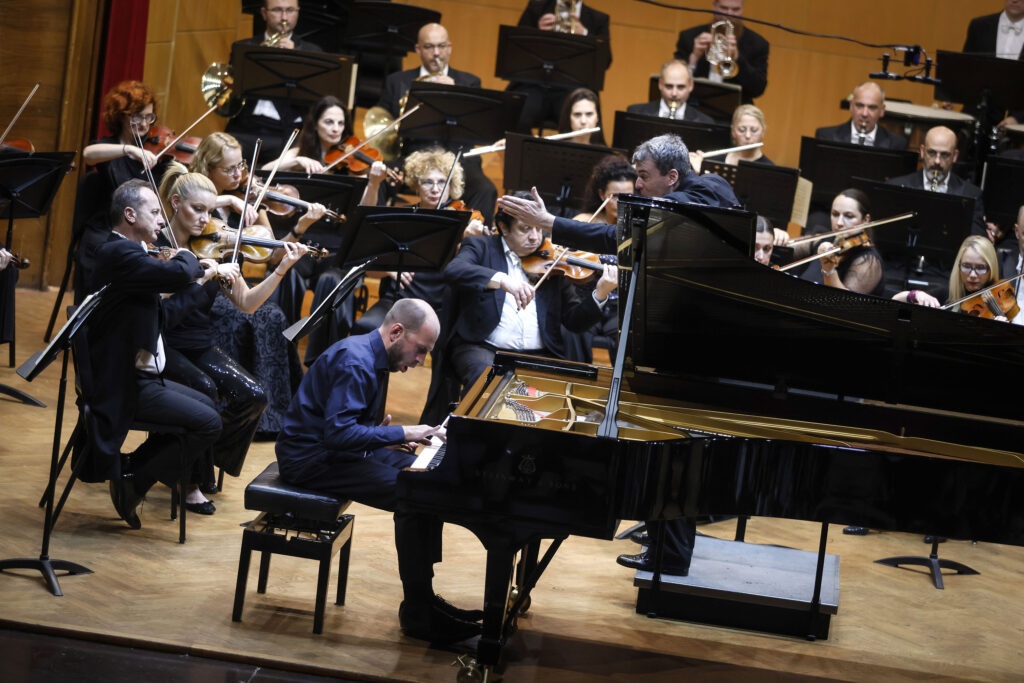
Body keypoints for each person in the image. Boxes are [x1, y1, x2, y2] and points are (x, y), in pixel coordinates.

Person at [496, 133, 740, 577]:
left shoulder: (697, 198)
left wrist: (550, 222)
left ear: (672, 176)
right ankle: (666, 549)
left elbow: (618, 235)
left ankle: (670, 552)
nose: (637, 186)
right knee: (668, 448)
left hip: (695, 351)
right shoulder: (694, 192)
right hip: (677, 342)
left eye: (644, 177)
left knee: (675, 450)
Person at [275, 298, 483, 643]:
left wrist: (378, 439)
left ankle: (424, 599)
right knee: (415, 495)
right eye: (420, 351)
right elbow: (337, 434)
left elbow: (344, 428)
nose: (420, 362)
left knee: (428, 481)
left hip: (334, 452)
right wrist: (404, 431)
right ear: (397, 332)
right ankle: (419, 614)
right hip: (310, 460)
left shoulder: (371, 357)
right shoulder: (355, 361)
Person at [157, 167, 308, 508]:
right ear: (176, 204)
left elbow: (248, 303)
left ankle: (191, 461)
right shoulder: (160, 245)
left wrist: (281, 269)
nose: (204, 220)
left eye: (210, 212)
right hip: (163, 344)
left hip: (199, 344)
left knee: (253, 395)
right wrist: (199, 271)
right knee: (206, 392)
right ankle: (188, 480)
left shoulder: (214, 248)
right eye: (197, 210)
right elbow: (158, 302)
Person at [81, 179, 223, 529]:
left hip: (140, 375)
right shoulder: (119, 253)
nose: (162, 220)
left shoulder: (132, 257)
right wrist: (190, 257)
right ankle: (135, 479)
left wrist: (203, 282)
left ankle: (132, 472)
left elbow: (163, 317)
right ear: (129, 214)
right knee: (209, 421)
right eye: (155, 212)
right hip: (124, 385)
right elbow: (177, 274)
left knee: (208, 405)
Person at [189, 132, 316, 438]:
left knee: (271, 314)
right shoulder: (196, 193)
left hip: (234, 286)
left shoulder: (250, 200)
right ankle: (236, 406)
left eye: (240, 166)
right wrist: (230, 198)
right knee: (247, 316)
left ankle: (273, 414)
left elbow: (271, 255)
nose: (238, 174)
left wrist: (299, 228)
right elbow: (187, 201)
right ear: (209, 167)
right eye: (229, 169)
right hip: (203, 289)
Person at [353, 148, 481, 423]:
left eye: (441, 182)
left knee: (449, 346)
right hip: (398, 302)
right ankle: (366, 417)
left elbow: (477, 264)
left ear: (452, 186)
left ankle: (433, 426)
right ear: (416, 184)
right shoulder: (404, 217)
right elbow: (366, 237)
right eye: (427, 181)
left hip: (442, 307)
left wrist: (471, 239)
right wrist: (387, 267)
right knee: (367, 329)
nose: (435, 189)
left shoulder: (462, 220)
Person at [444, 191, 618, 391]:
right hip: (485, 348)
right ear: (503, 227)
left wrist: (600, 293)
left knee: (561, 393)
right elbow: (454, 270)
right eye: (525, 229)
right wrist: (503, 280)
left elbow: (574, 322)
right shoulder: (481, 246)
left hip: (539, 354)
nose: (535, 237)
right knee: (487, 380)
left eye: (539, 228)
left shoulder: (552, 263)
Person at [376, 23, 497, 223]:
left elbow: (477, 126)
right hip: (412, 155)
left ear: (449, 47)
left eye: (441, 46)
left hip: (459, 158)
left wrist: (454, 93)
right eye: (429, 47)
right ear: (418, 49)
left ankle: (474, 244)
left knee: (486, 188)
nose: (436, 53)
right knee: (379, 179)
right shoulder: (397, 81)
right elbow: (383, 126)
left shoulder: (469, 82)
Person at [225, 0, 322, 162]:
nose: (284, 17)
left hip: (290, 130)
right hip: (247, 126)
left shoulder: (313, 52)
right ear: (264, 13)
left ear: (298, 12)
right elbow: (232, 96)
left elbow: (315, 101)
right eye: (278, 10)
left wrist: (295, 57)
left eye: (290, 10)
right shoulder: (243, 47)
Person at [263, 95, 388, 206]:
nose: (336, 129)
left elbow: (365, 206)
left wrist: (374, 184)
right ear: (316, 125)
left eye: (341, 123)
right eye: (329, 122)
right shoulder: (299, 153)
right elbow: (264, 172)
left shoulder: (353, 163)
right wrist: (297, 161)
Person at [509, 1, 612, 133]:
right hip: (535, 84)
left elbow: (606, 61)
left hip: (573, 87)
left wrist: (585, 34)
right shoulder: (537, 7)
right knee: (517, 115)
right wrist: (536, 32)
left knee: (579, 121)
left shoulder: (597, 19)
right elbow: (515, 49)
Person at [886, 126, 993, 240]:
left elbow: (978, 240)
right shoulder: (895, 186)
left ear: (955, 156)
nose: (937, 161)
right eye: (932, 153)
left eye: (945, 155)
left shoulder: (971, 194)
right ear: (922, 151)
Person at [674, 0, 769, 103]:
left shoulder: (757, 44)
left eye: (736, 9)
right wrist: (693, 59)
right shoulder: (689, 36)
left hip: (734, 110)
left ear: (742, 8)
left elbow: (758, 90)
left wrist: (737, 58)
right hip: (694, 106)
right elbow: (673, 80)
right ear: (714, 6)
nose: (729, 14)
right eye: (724, 8)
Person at [799, 189, 884, 296]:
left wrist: (829, 270)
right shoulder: (825, 239)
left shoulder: (868, 261)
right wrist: (779, 236)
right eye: (835, 214)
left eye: (849, 216)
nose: (839, 223)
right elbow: (790, 248)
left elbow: (845, 302)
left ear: (865, 220)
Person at [963, 1, 1024, 127]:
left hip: (1018, 122)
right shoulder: (979, 26)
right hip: (977, 117)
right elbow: (966, 68)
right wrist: (951, 96)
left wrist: (1018, 118)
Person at [815, 82, 907, 149]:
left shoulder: (897, 144)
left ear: (882, 111)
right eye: (859, 106)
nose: (864, 114)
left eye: (872, 107)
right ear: (851, 106)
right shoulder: (826, 136)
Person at [626, 60, 714, 122]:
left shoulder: (705, 121)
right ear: (660, 84)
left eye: (680, 87)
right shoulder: (635, 112)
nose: (674, 93)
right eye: (669, 86)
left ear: (691, 86)